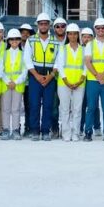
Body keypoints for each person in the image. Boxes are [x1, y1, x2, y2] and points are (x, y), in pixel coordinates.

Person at [25, 13, 60, 141]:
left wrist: (51, 76)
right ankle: (35, 130)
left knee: (48, 105)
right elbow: (27, 60)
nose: (43, 26)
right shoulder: (31, 40)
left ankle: (45, 130)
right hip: (35, 76)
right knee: (34, 104)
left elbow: (58, 61)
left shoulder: (55, 42)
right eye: (41, 24)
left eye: (46, 23)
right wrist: (37, 76)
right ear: (38, 25)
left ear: (49, 25)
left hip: (50, 77)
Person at [55, 23, 86, 142]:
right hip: (64, 84)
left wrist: (81, 80)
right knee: (64, 109)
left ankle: (76, 133)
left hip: (79, 83)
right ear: (67, 35)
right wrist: (66, 81)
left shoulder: (83, 49)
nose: (72, 36)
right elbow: (60, 67)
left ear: (78, 35)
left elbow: (85, 67)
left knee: (77, 109)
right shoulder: (62, 49)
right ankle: (66, 133)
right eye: (70, 34)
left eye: (74, 34)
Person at [1, 29, 28, 140]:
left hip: (17, 85)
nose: (14, 41)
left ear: (20, 40)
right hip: (6, 84)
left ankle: (16, 130)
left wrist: (15, 82)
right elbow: (0, 69)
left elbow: (25, 70)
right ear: (8, 41)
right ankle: (6, 129)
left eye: (17, 39)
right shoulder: (4, 53)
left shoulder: (23, 54)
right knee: (6, 108)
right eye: (12, 39)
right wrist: (8, 81)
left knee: (16, 109)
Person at [50, 17, 68, 139]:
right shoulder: (50, 41)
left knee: (67, 107)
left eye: (62, 26)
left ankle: (66, 128)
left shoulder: (71, 40)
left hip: (68, 79)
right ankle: (55, 128)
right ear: (54, 28)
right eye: (57, 26)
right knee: (54, 106)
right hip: (54, 79)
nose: (60, 28)